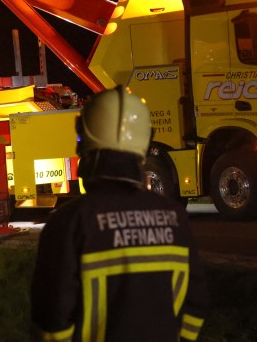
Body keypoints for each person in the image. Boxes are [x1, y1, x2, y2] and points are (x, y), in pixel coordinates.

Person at [30, 86, 209, 342]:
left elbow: (51, 318)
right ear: (144, 143)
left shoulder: (68, 223)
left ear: (86, 146)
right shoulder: (175, 218)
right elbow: (197, 303)